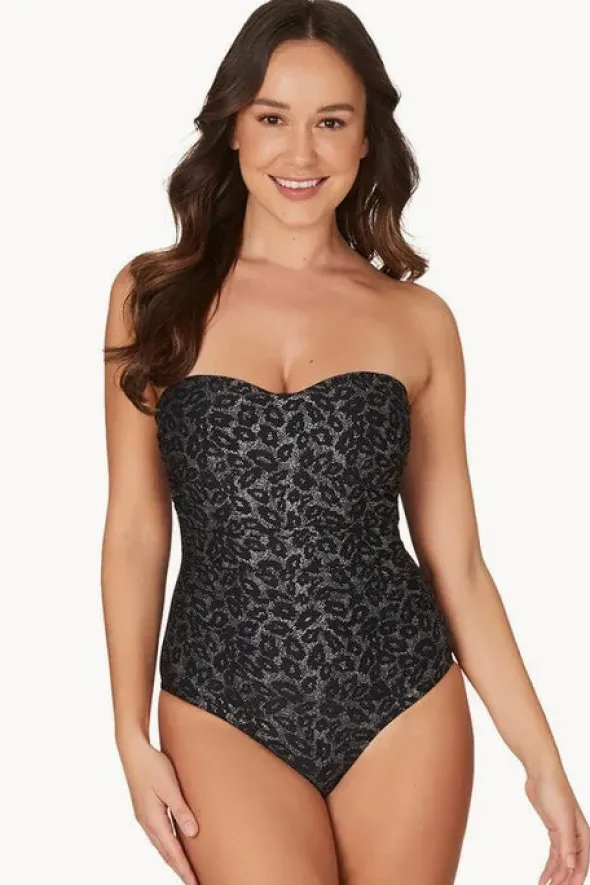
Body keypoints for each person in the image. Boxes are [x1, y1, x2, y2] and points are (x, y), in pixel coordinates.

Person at [101, 1, 589, 883]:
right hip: (219, 702)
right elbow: (136, 529)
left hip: (403, 701)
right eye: (272, 118)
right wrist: (129, 735)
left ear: (367, 139)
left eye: (331, 122)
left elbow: (458, 563)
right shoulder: (151, 298)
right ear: (233, 127)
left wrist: (543, 762)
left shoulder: (419, 321)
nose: (301, 153)